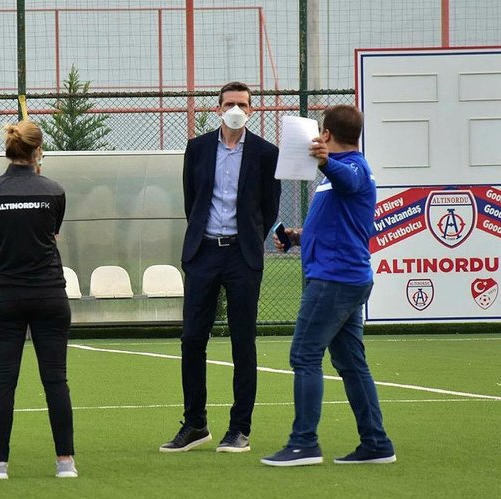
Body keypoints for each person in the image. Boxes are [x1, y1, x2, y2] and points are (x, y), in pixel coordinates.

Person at [261, 105, 397, 467]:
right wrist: (296, 236)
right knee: (351, 363)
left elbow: (349, 179)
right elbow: (337, 225)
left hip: (334, 281)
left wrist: (325, 162)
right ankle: (376, 443)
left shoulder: (353, 168)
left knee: (304, 355)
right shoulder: (338, 174)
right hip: (345, 278)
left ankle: (304, 443)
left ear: (326, 134)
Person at [160, 81, 281, 454]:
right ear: (217, 108)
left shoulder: (266, 153)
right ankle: (195, 424)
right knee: (192, 339)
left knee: (243, 342)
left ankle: (239, 428)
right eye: (229, 104)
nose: (235, 110)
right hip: (204, 253)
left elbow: (269, 207)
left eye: (242, 104)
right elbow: (192, 200)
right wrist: (202, 239)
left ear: (252, 110)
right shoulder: (197, 148)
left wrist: (250, 239)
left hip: (242, 256)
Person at [0, 120, 77, 480]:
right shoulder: (54, 190)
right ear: (37, 151)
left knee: (3, 382)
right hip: (50, 295)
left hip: (5, 298)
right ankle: (65, 462)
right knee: (56, 380)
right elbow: (52, 233)